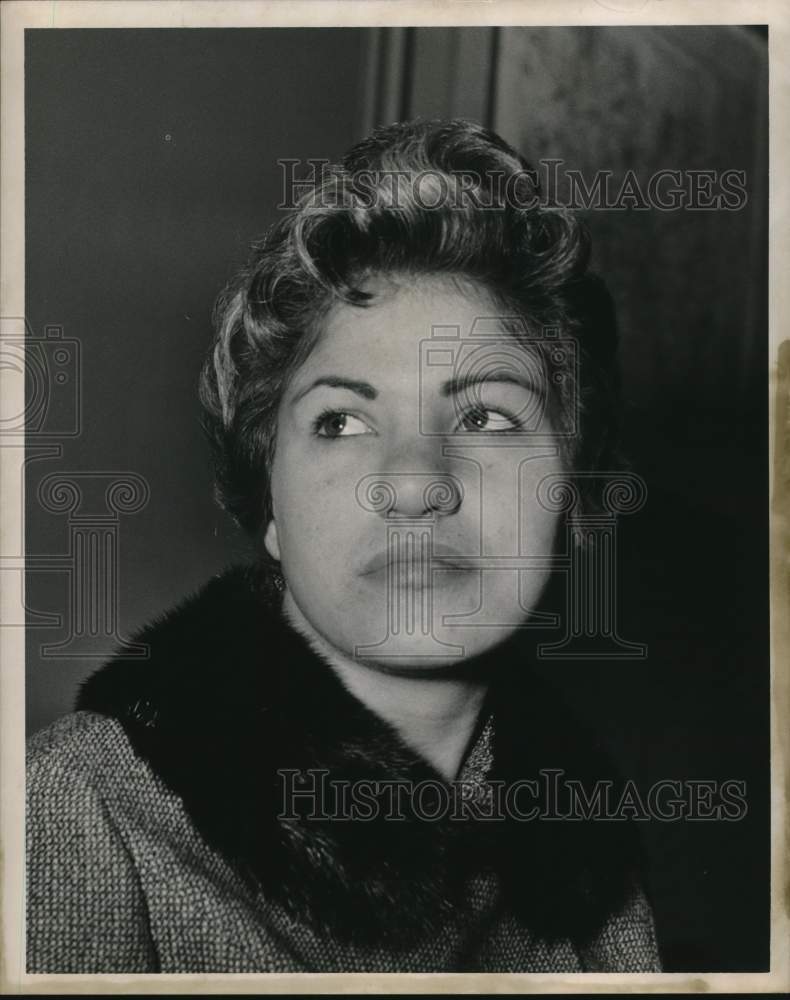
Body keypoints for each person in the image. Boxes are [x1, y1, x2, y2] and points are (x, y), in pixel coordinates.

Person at [26, 118, 661, 973]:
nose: (414, 481)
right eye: (342, 420)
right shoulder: (78, 811)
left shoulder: (590, 869)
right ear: (272, 505)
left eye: (484, 416)